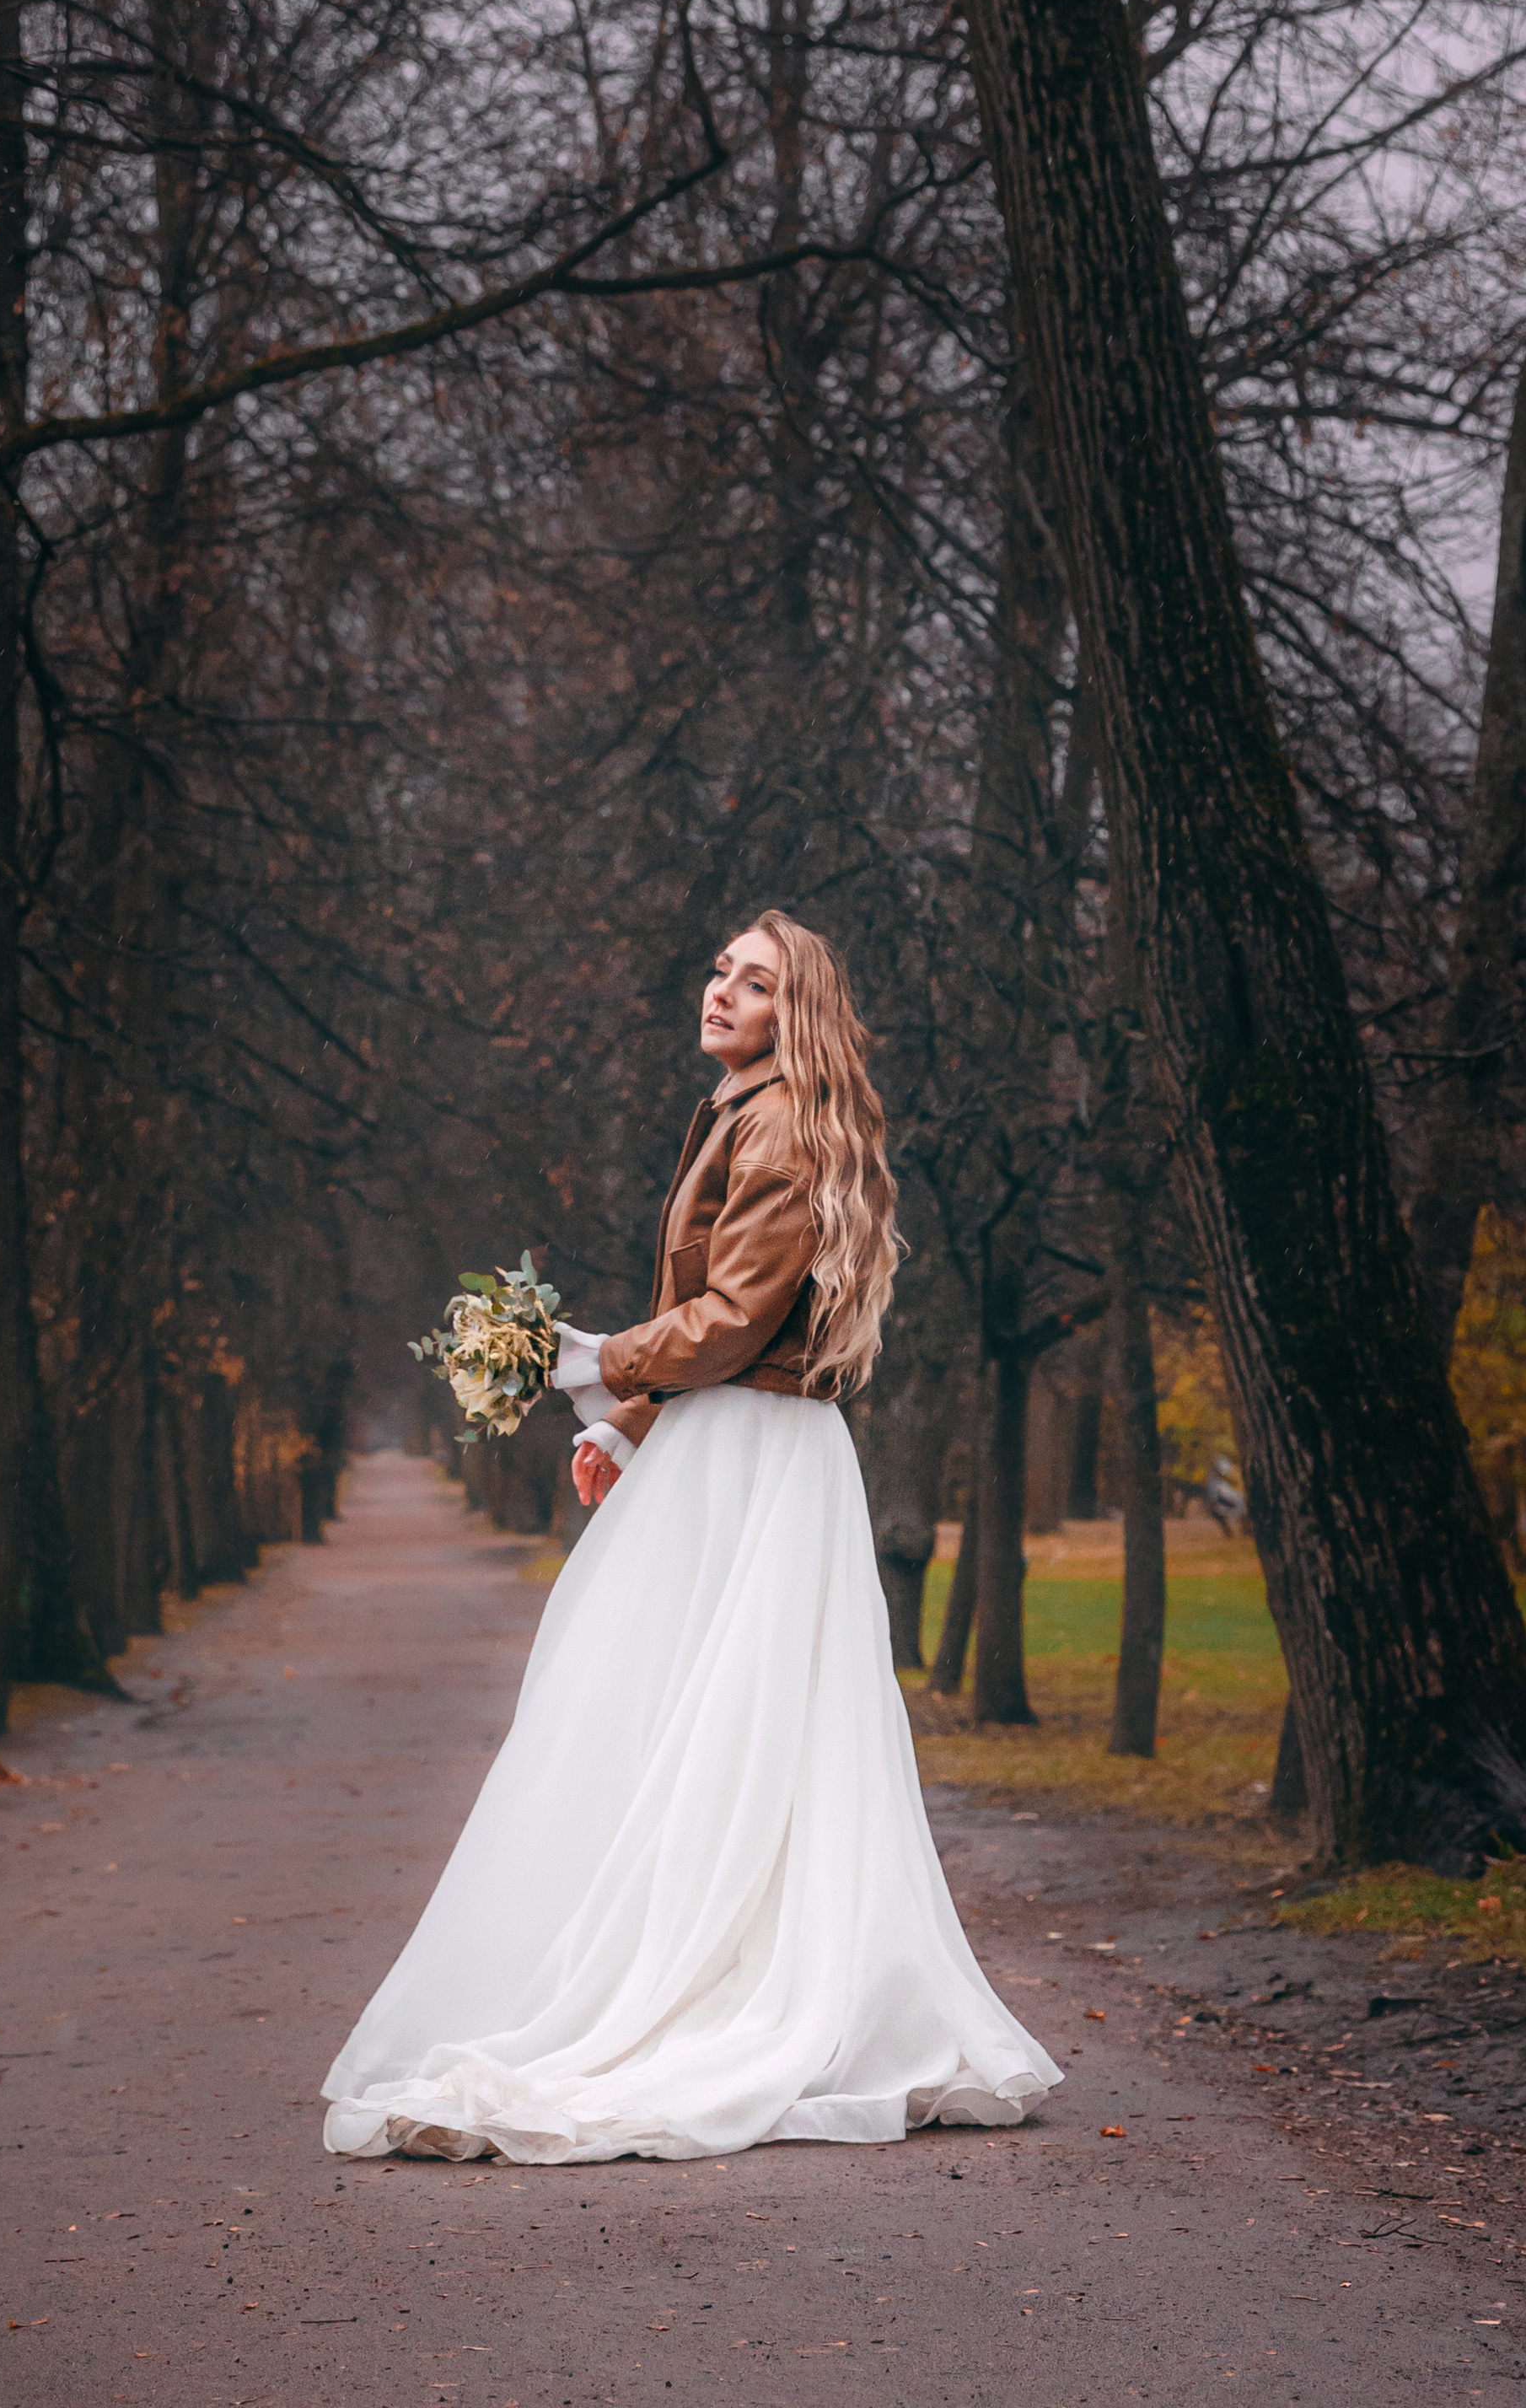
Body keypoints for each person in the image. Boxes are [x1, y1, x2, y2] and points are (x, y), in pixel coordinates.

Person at [320, 911, 1060, 2163]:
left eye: (755, 983)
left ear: (795, 1012)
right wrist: (634, 1419)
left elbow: (729, 1321)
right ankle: (712, 1968)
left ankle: (709, 1997)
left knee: (696, 1719)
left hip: (754, 1463)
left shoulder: (771, 1122)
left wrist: (595, 1364)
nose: (722, 992)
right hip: (734, 1448)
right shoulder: (746, 1110)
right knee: (705, 1725)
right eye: (722, 969)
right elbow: (728, 1335)